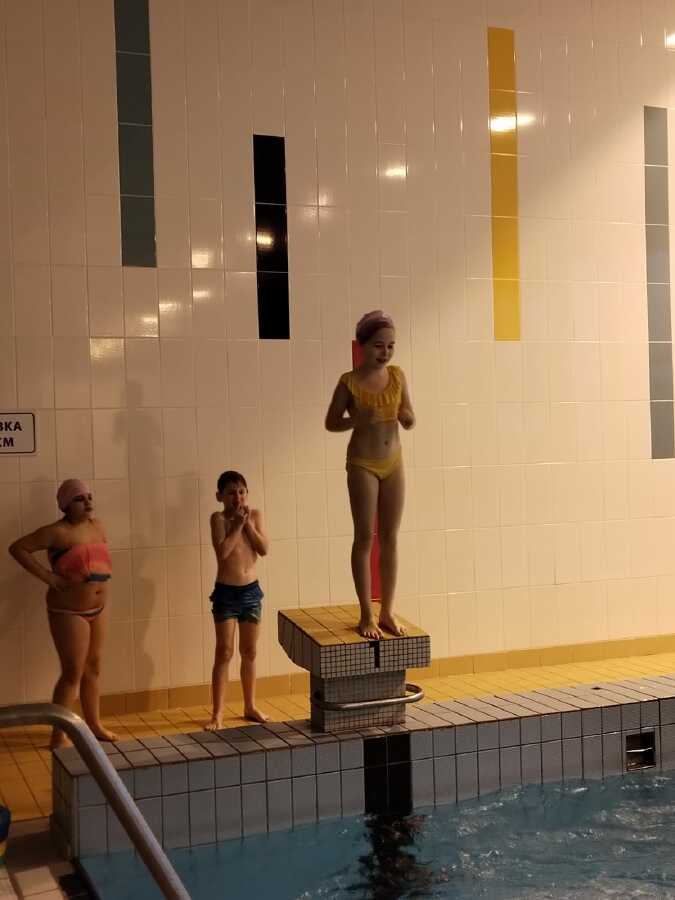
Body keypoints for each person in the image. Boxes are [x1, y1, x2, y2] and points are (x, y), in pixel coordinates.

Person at [325, 310, 415, 639]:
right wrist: (356, 421)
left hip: (393, 462)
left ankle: (387, 610)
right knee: (365, 537)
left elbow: (408, 412)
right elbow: (332, 422)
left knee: (390, 537)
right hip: (362, 464)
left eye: (390, 346)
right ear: (361, 345)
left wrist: (407, 418)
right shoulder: (348, 382)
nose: (385, 352)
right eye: (378, 345)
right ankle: (366, 613)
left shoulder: (398, 376)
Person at [8, 479, 117, 750]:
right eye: (80, 498)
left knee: (94, 668)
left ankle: (94, 725)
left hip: (99, 607)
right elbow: (17, 548)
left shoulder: (97, 526)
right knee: (72, 673)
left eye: (89, 496)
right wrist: (48, 577)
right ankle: (58, 735)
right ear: (66, 506)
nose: (88, 502)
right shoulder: (56, 532)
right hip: (68, 611)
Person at [206, 470, 270, 730]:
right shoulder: (218, 519)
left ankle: (249, 705)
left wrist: (248, 525)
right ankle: (217, 713)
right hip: (226, 593)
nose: (238, 497)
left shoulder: (254, 516)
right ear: (219, 496)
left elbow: (264, 549)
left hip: (251, 592)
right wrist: (236, 526)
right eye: (231, 492)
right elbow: (223, 552)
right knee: (224, 651)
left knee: (250, 651)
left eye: (241, 492)